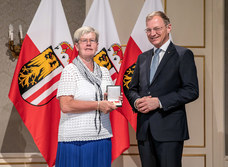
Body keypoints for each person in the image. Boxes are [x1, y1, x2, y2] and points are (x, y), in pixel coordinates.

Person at [124, 11, 199, 167]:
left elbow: (191, 90)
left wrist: (159, 102)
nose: (153, 33)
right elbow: (131, 89)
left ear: (168, 27)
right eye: (149, 30)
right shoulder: (142, 58)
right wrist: (137, 101)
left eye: (157, 28)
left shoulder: (183, 55)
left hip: (170, 131)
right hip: (145, 131)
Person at [55, 26, 120, 167]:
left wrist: (112, 102)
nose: (88, 43)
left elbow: (107, 102)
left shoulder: (104, 71)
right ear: (77, 46)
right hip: (75, 140)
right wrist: (98, 105)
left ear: (97, 45)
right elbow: (65, 105)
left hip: (102, 136)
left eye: (92, 40)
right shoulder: (69, 70)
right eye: (84, 40)